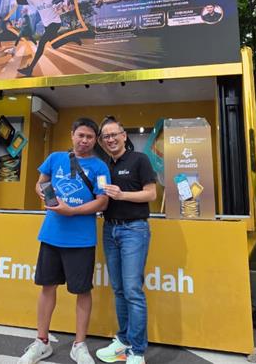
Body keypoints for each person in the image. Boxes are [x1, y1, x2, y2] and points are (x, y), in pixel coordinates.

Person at [18, 118, 110, 364]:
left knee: (82, 291)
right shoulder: (55, 158)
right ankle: (42, 341)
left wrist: (72, 211)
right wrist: (42, 192)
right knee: (47, 287)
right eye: (81, 135)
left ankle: (79, 345)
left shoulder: (100, 167)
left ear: (95, 140)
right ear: (72, 135)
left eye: (89, 137)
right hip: (51, 235)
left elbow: (102, 201)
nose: (84, 141)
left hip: (81, 239)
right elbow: (40, 183)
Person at [95, 117, 157, 364]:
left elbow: (151, 194)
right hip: (110, 229)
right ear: (102, 142)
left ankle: (138, 351)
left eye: (114, 134)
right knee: (119, 289)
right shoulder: (103, 166)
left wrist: (122, 195)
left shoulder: (139, 159)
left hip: (134, 229)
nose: (110, 139)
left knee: (132, 290)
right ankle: (124, 341)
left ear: (124, 135)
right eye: (106, 137)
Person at [14, 0, 82, 77]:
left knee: (41, 43)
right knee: (55, 45)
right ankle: (73, 38)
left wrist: (71, 3)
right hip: (47, 25)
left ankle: (30, 69)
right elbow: (19, 1)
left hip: (55, 22)